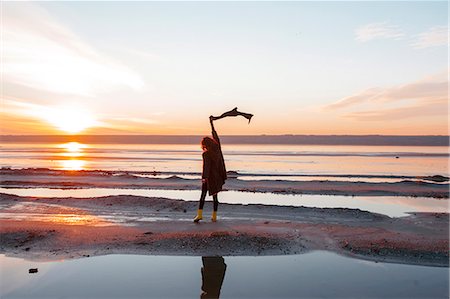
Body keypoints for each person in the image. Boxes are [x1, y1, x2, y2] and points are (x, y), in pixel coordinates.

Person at [194, 116, 227, 223]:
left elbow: (206, 167)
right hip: (217, 177)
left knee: (203, 195)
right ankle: (214, 216)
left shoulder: (206, 154)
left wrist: (204, 178)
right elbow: (216, 136)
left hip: (209, 178)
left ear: (205, 145)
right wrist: (212, 124)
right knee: (215, 197)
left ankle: (199, 215)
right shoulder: (217, 149)